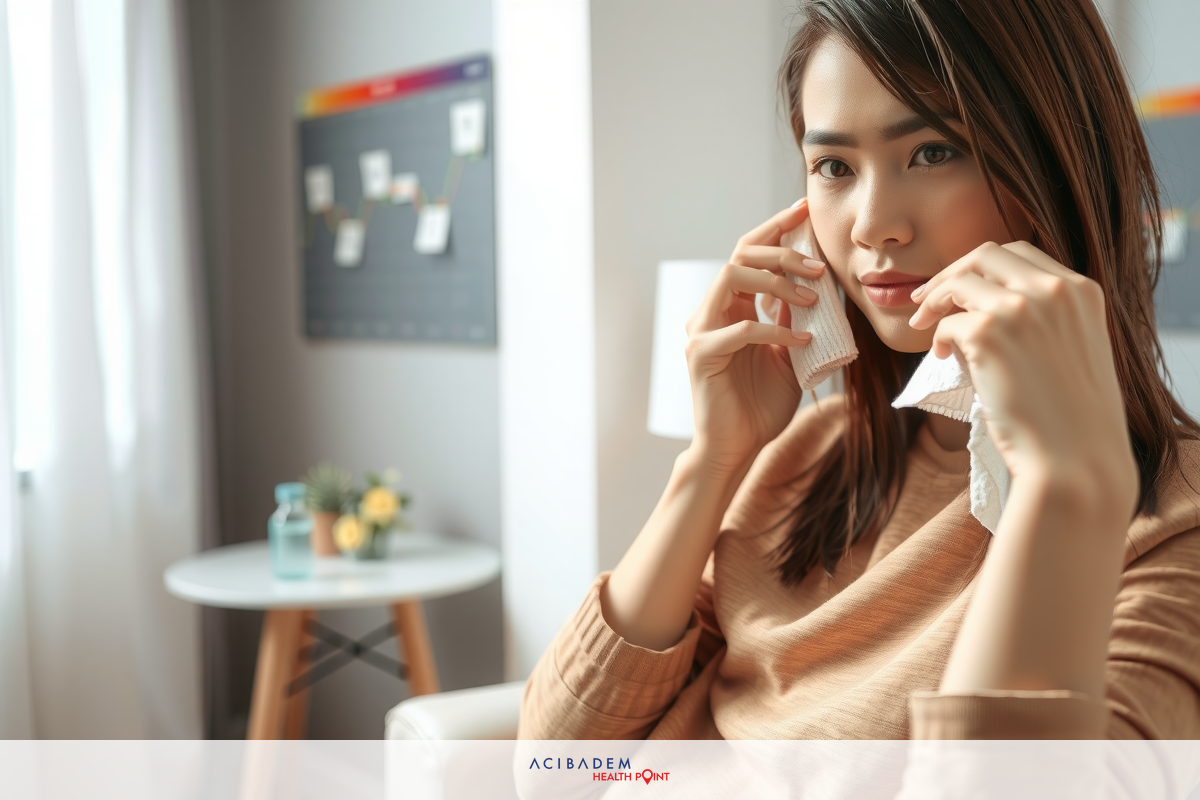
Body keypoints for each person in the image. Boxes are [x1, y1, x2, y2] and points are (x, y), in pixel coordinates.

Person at [518, 0, 1200, 746]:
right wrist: (711, 463)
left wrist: (1062, 488)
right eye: (835, 167)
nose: (873, 223)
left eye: (935, 151)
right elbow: (554, 765)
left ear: (1056, 160)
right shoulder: (807, 457)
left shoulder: (1172, 522)